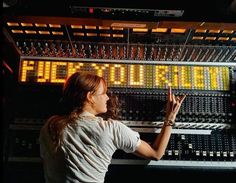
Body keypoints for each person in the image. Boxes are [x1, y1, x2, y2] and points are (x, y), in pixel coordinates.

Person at [39, 72, 186, 183]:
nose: (107, 98)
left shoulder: (50, 125)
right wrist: (170, 118)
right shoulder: (111, 129)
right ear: (90, 96)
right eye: (103, 93)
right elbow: (156, 153)